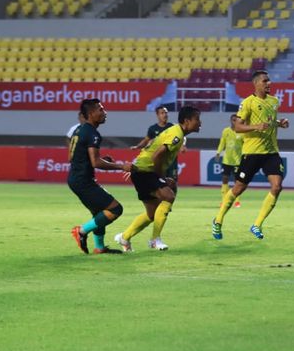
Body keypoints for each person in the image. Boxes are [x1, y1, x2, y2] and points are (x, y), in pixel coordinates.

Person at [212, 70, 289, 240]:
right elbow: (238, 127)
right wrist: (256, 127)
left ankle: (257, 225)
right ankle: (218, 220)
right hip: (252, 152)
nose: (269, 83)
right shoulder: (247, 103)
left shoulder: (274, 101)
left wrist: (280, 123)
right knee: (239, 188)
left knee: (277, 186)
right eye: (265, 81)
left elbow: (269, 122)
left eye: (269, 81)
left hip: (271, 152)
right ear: (256, 83)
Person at [115, 106, 201, 252]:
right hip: (145, 171)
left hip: (141, 169)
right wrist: (162, 177)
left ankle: (124, 237)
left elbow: (153, 149)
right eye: (197, 119)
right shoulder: (177, 135)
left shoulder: (177, 132)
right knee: (168, 196)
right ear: (186, 121)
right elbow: (156, 156)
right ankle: (155, 240)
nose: (200, 123)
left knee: (151, 214)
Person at [69, 98, 132, 254]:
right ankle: (81, 231)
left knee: (100, 212)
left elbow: (78, 157)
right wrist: (120, 166)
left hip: (76, 179)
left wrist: (101, 159)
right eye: (101, 109)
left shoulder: (80, 129)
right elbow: (96, 163)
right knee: (116, 209)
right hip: (83, 181)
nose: (105, 112)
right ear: (91, 113)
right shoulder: (92, 133)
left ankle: (99, 247)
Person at [131, 105, 183, 190]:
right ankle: (161, 201)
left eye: (166, 113)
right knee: (159, 184)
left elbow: (182, 137)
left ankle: (169, 201)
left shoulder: (173, 127)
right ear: (158, 115)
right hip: (159, 161)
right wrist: (138, 146)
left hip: (171, 161)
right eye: (162, 113)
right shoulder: (153, 129)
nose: (165, 115)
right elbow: (146, 140)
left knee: (173, 184)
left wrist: (183, 145)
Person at [215, 114, 243, 208]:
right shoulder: (226, 131)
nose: (234, 122)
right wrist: (218, 153)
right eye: (233, 120)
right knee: (225, 180)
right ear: (231, 121)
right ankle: (224, 200)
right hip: (227, 160)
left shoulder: (242, 132)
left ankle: (237, 201)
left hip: (237, 161)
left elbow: (246, 144)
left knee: (238, 182)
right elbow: (222, 143)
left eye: (236, 120)